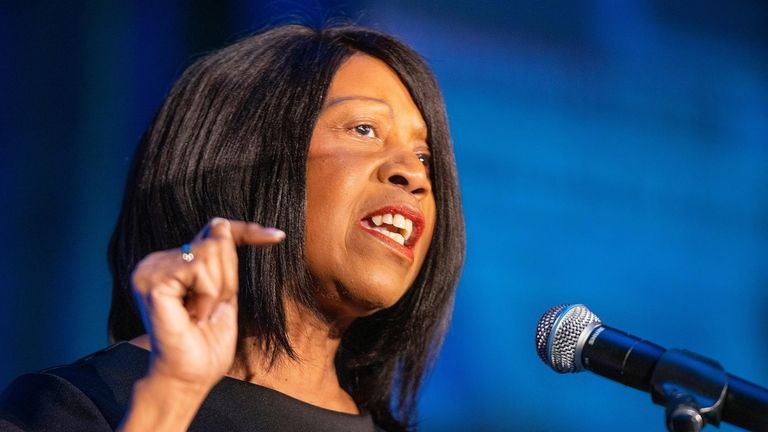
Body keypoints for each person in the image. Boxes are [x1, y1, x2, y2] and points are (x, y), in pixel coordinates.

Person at [0, 24, 465, 431]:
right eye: (364, 129)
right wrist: (172, 398)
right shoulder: (76, 407)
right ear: (245, 160)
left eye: (426, 157)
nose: (415, 174)